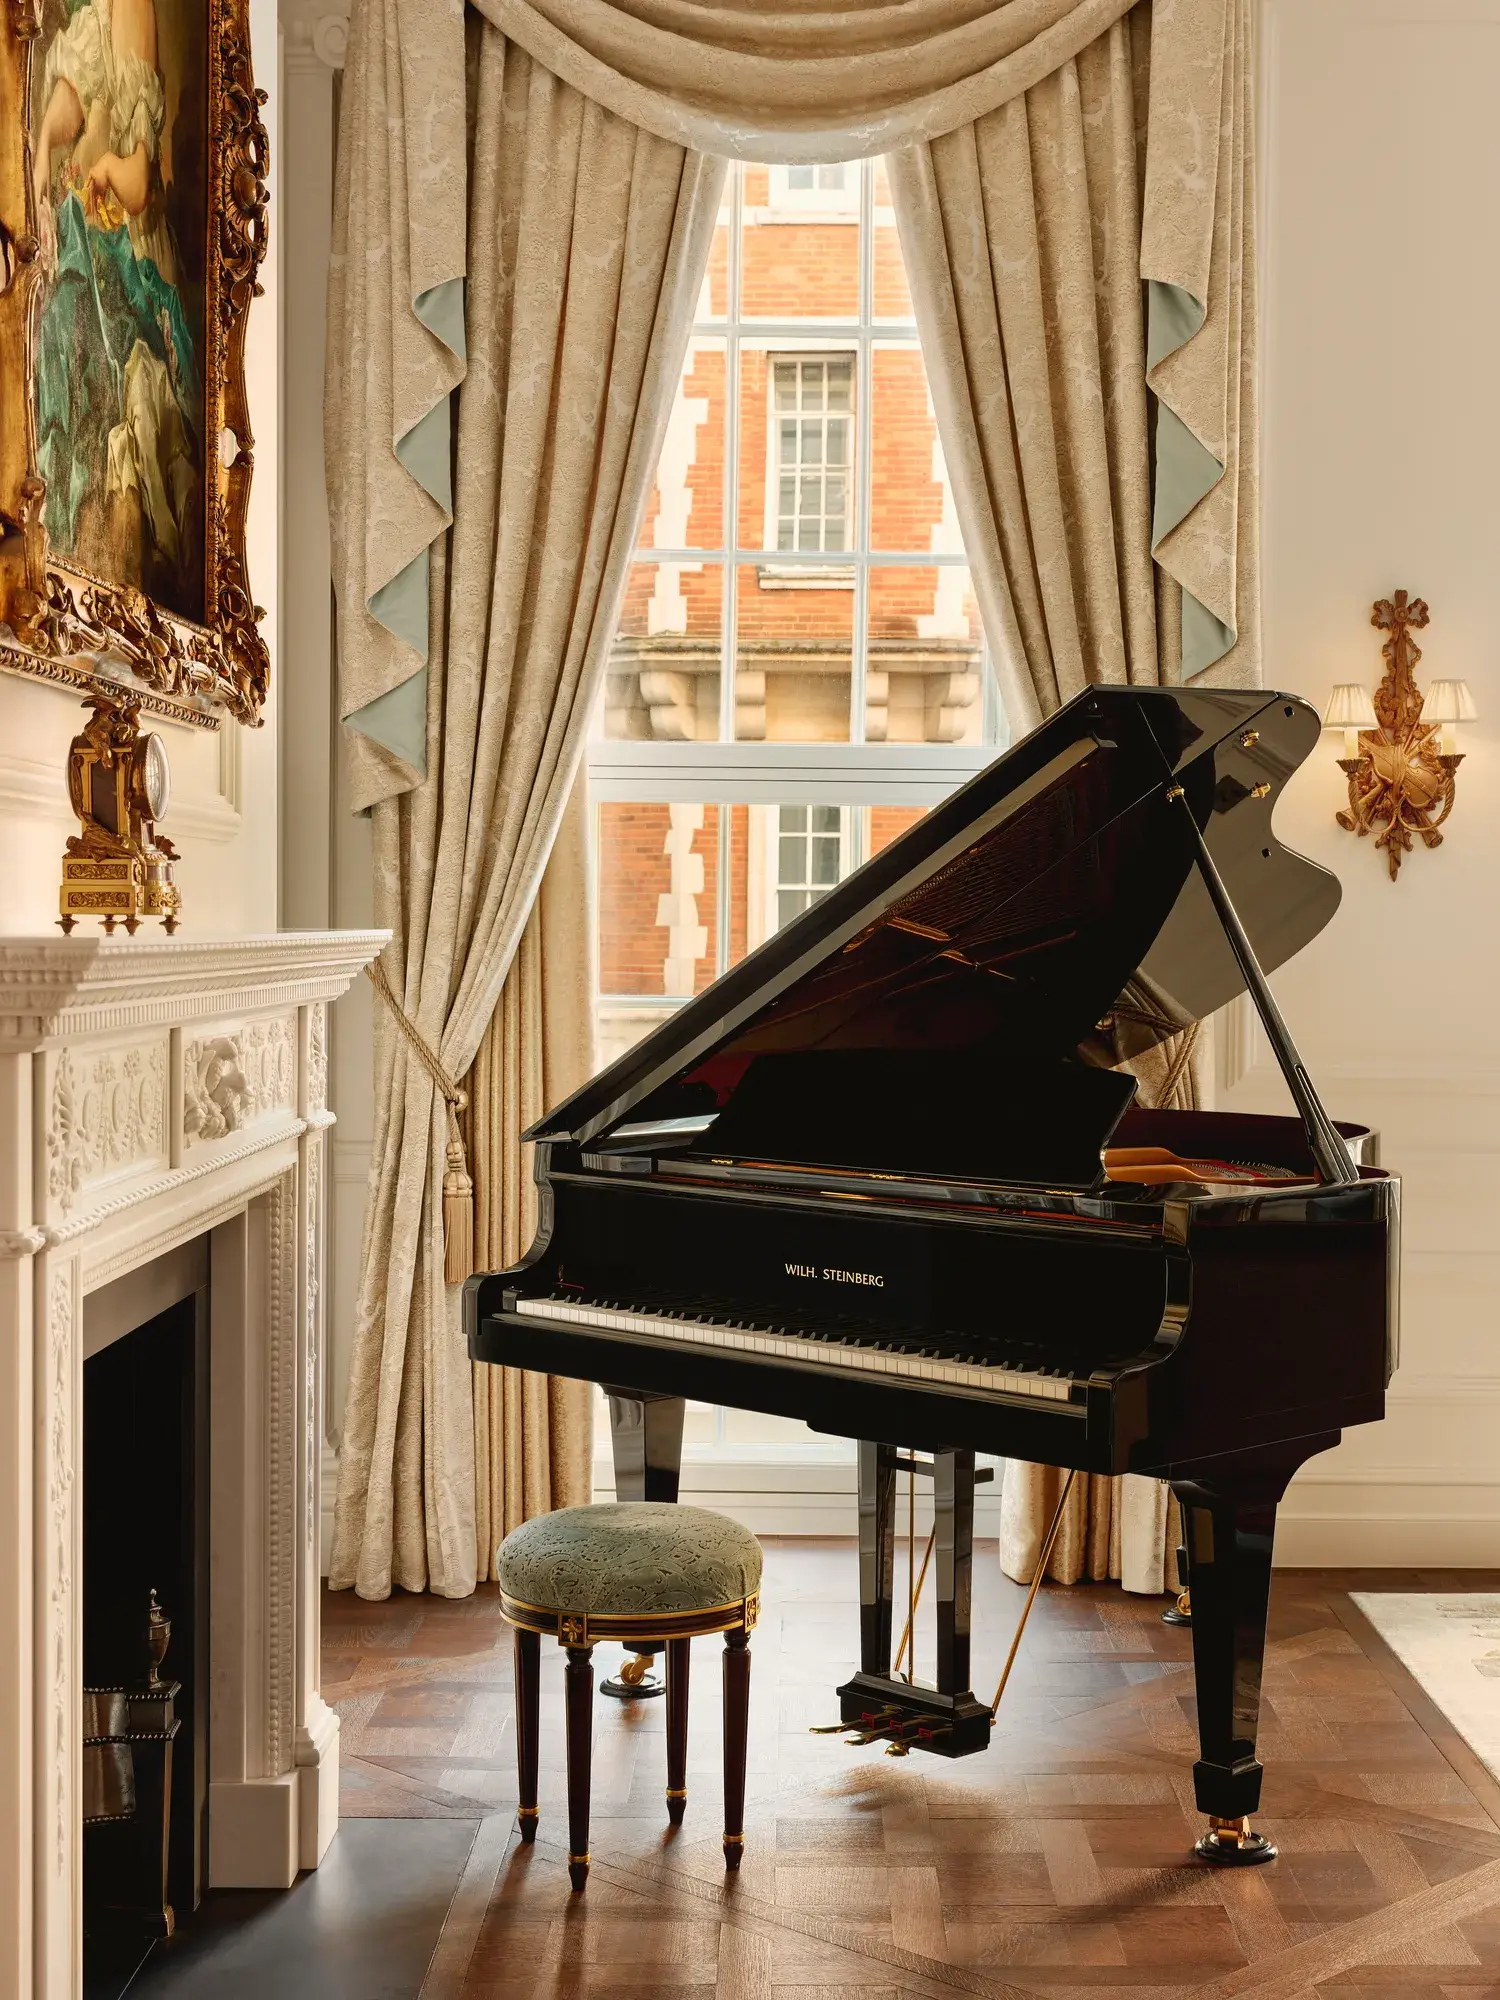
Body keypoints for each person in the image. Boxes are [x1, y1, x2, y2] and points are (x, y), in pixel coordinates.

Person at [30, 0, 201, 608]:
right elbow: (67, 109)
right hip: (81, 251)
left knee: (124, 455)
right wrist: (38, 155)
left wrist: (104, 166)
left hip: (125, 265)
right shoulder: (80, 13)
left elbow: (139, 182)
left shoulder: (131, 6)